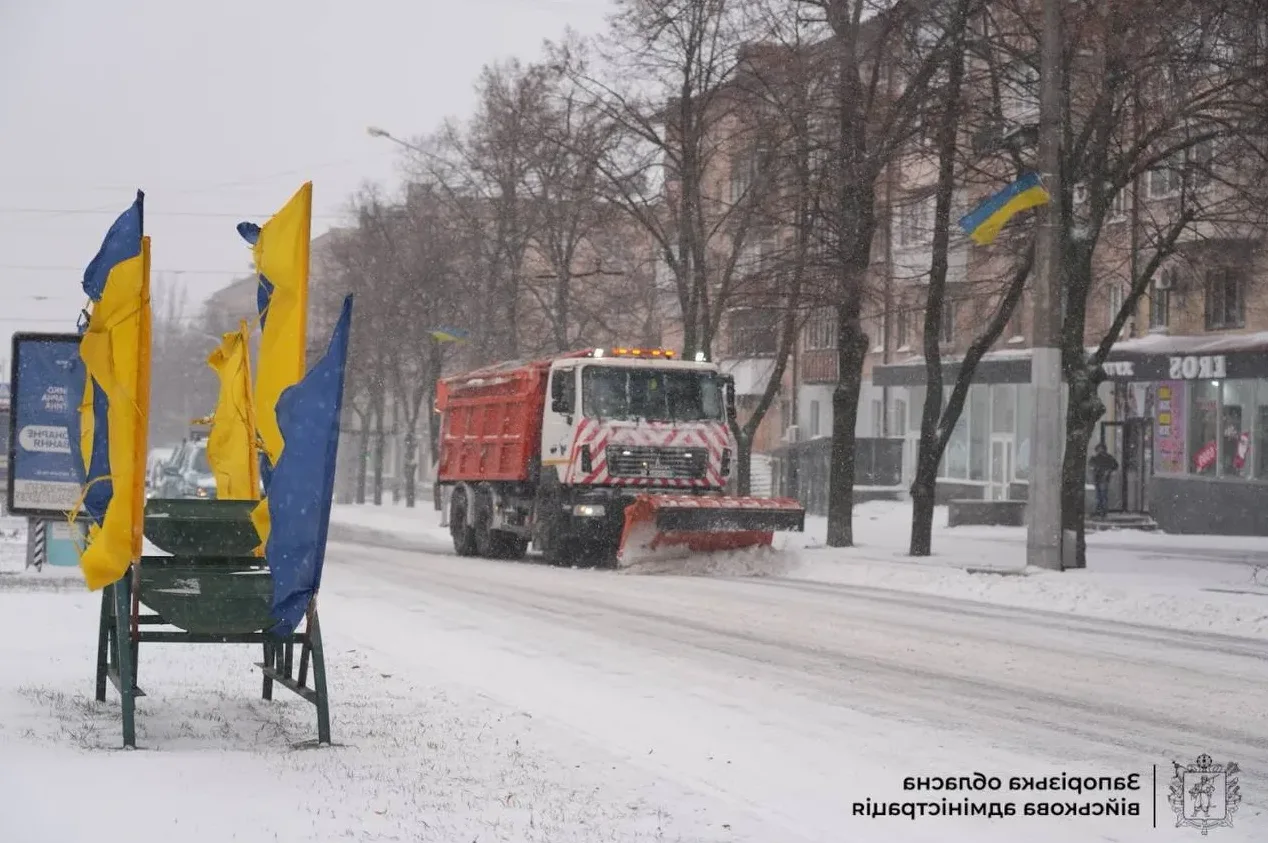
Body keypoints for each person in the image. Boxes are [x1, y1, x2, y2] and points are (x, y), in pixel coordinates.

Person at [1089, 443, 1118, 518]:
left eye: (1100, 448)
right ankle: (1101, 510)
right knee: (1100, 495)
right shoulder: (1103, 457)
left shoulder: (1104, 458)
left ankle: (1101, 511)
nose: (1099, 450)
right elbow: (1091, 464)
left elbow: (1115, 465)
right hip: (1100, 478)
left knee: (1101, 495)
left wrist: (1108, 471)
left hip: (1102, 478)